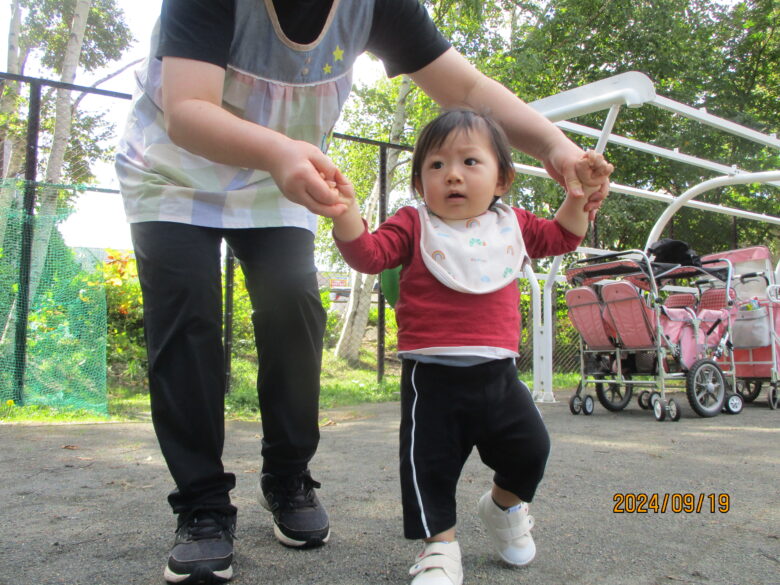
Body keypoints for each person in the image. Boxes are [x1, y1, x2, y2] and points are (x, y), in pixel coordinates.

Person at [115, 1, 611, 583]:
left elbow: (468, 87)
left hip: (287, 179)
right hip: (174, 169)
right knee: (185, 320)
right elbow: (188, 109)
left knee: (294, 307)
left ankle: (288, 476)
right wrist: (279, 151)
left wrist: (554, 146)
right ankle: (201, 505)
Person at [328, 109, 612, 585]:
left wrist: (577, 194)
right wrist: (345, 214)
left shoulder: (512, 224)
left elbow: (563, 236)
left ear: (502, 179)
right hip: (431, 379)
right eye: (436, 166)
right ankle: (439, 546)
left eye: (469, 162)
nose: (452, 174)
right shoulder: (414, 224)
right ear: (420, 184)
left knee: (531, 448)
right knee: (428, 467)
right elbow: (369, 254)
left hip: (499, 375)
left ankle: (503, 507)